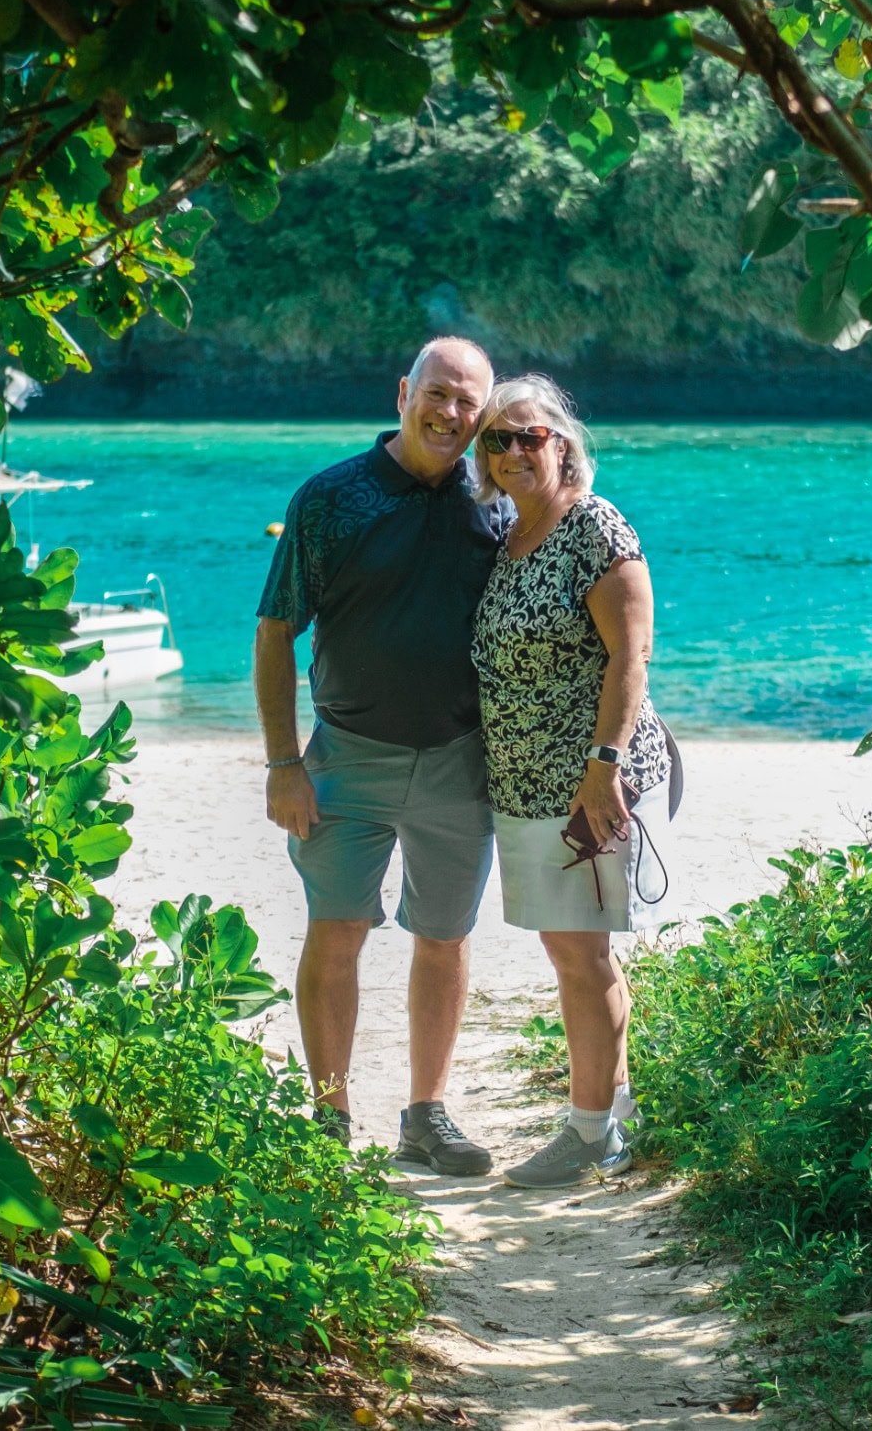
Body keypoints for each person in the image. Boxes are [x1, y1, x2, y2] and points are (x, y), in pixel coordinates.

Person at [254, 337, 508, 1175]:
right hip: (345, 760)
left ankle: (425, 1118)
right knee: (336, 933)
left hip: (461, 760)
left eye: (471, 403)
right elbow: (275, 632)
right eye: (438, 394)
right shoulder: (334, 498)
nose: (451, 414)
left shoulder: (497, 501)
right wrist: (284, 763)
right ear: (404, 391)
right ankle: (328, 1119)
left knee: (444, 935)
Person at [470, 374, 674, 1189]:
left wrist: (604, 771)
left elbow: (633, 654)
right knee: (571, 950)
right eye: (496, 440)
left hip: (587, 782)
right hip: (524, 782)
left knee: (580, 955)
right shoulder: (509, 533)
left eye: (529, 436)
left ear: (562, 442)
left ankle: (590, 1131)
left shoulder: (594, 526)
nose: (513, 451)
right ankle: (612, 1114)